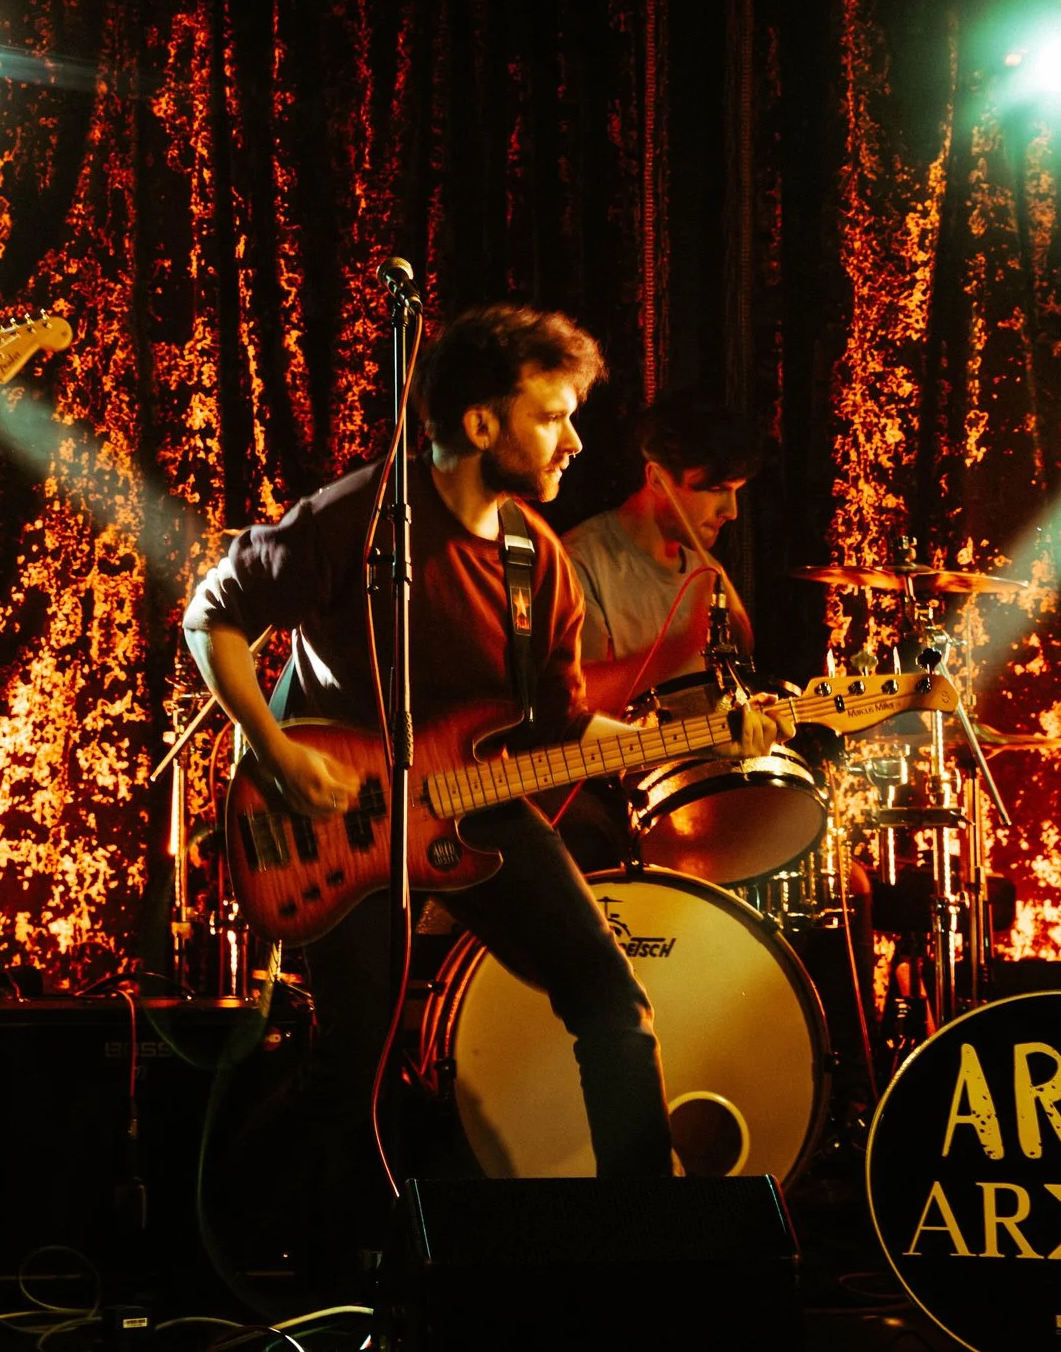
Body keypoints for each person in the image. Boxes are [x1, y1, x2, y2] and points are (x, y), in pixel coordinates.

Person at [182, 305, 781, 1286]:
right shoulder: (358, 518)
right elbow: (213, 618)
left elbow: (556, 728)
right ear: (476, 423)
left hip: (479, 813)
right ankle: (342, 1274)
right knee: (357, 1063)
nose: (576, 440)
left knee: (609, 999)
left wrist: (703, 734)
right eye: (553, 414)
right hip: (339, 823)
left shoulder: (535, 561)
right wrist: (281, 753)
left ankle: (650, 1244)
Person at [562, 391, 766, 716]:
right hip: (629, 765)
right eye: (716, 490)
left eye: (736, 491)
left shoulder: (706, 569)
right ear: (657, 479)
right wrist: (683, 645)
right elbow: (583, 700)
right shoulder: (578, 562)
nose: (731, 511)